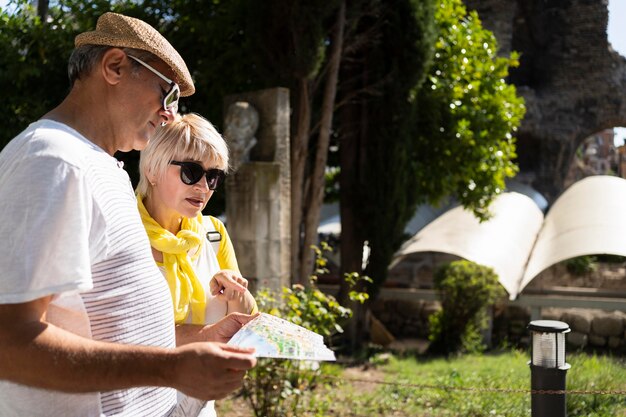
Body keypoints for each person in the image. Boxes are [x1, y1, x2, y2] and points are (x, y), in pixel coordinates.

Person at [0, 12, 256, 417]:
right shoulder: (53, 161)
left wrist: (200, 340)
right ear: (115, 66)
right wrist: (169, 369)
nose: (170, 114)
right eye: (166, 92)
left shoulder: (98, 165)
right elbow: (9, 343)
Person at [136, 113, 258, 416]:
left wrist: (237, 293)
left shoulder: (213, 233)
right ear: (152, 169)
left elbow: (247, 320)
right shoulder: (123, 233)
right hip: (136, 403)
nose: (203, 186)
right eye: (191, 171)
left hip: (200, 404)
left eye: (213, 176)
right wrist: (204, 334)